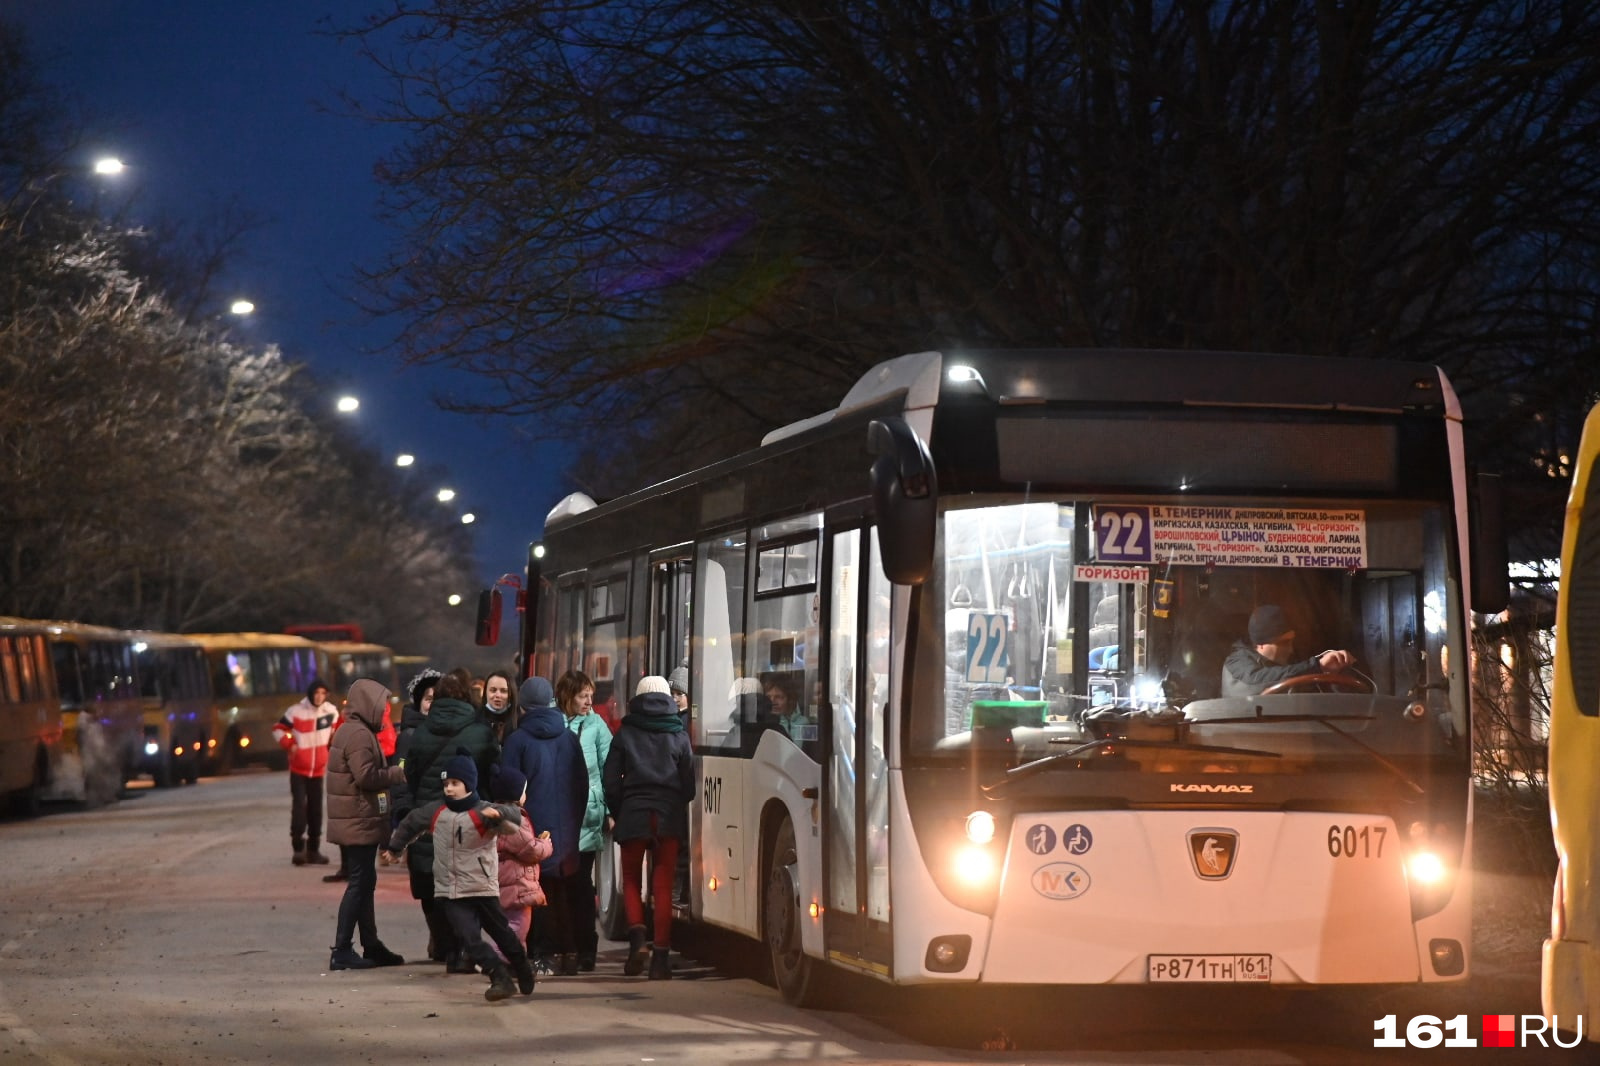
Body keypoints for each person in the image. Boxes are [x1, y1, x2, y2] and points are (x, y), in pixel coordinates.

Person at [384, 751, 535, 1001]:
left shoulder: (483, 811)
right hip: (451, 891)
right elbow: (411, 822)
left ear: (469, 783)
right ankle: (499, 977)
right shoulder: (437, 811)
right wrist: (395, 848)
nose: (449, 789)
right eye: (446, 784)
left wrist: (498, 817)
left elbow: (514, 817)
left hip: (481, 887)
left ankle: (521, 966)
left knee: (502, 934)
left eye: (455, 783)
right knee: (470, 940)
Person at [402, 671, 500, 973]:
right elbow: (490, 776)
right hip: (469, 821)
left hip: (430, 820)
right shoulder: (481, 732)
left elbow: (411, 776)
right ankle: (469, 949)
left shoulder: (419, 732)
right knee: (469, 887)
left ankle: (448, 949)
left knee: (433, 886)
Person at [603, 675, 695, 980]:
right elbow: (689, 785)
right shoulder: (678, 733)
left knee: (630, 879)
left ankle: (638, 941)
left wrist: (620, 811)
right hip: (667, 816)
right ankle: (660, 960)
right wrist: (674, 803)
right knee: (663, 885)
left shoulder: (626, 732)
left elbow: (610, 781)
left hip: (634, 812)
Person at [501, 676, 587, 976]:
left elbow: (508, 791)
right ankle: (571, 953)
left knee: (534, 893)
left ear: (523, 706)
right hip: (566, 829)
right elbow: (582, 785)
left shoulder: (516, 741)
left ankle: (543, 955)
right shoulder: (569, 738)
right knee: (565, 888)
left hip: (531, 831)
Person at [324, 678, 407, 971]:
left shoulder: (353, 730)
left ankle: (371, 944)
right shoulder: (358, 734)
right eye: (382, 705)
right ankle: (342, 948)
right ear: (368, 705)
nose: (386, 710)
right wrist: (396, 774)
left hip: (357, 818)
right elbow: (366, 777)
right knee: (360, 882)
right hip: (357, 819)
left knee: (365, 880)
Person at [558, 669, 611, 973]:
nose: (590, 700)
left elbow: (609, 766)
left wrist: (608, 808)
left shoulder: (597, 726)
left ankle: (585, 949)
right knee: (561, 885)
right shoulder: (555, 723)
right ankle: (565, 948)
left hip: (588, 814)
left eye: (591, 694)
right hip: (559, 814)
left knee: (580, 884)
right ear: (568, 696)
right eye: (583, 695)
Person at [487, 763, 552, 964]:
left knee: (509, 926)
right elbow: (529, 849)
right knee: (518, 927)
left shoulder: (496, 814)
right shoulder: (513, 819)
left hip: (504, 882)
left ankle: (516, 965)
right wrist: (546, 844)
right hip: (517, 884)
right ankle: (496, 959)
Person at [1221, 605, 1355, 698]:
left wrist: (1334, 678)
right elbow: (1254, 682)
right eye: (1284, 643)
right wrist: (1317, 666)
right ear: (1261, 644)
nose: (1290, 649)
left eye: (1291, 642)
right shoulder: (1236, 662)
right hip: (1246, 735)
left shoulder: (1291, 662)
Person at [273, 677, 338, 866]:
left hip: (318, 771)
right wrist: (289, 744)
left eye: (323, 693)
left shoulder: (331, 712)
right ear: (310, 693)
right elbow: (278, 729)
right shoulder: (296, 711)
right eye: (316, 693)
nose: (319, 697)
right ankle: (298, 848)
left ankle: (313, 849)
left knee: (316, 810)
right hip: (299, 769)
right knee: (299, 808)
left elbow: (334, 735)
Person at [482, 669, 518, 744]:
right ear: (485, 693)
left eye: (503, 691)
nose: (497, 695)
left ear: (511, 694)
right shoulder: (474, 722)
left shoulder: (519, 723)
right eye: (493, 690)